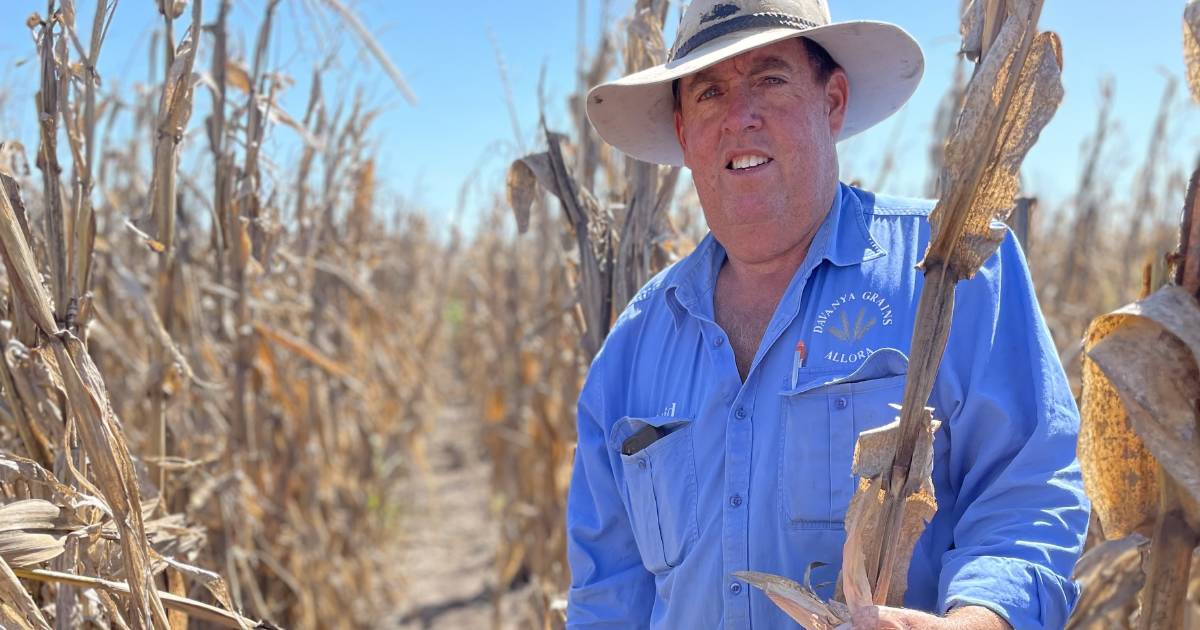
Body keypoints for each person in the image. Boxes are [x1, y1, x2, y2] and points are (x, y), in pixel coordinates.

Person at [566, 1, 1090, 629]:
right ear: (684, 131)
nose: (740, 116)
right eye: (710, 92)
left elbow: (1029, 496)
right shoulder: (632, 348)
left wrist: (975, 622)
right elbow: (608, 596)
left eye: (770, 78)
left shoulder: (955, 271)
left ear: (833, 101)